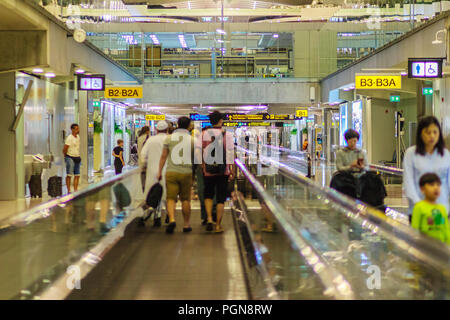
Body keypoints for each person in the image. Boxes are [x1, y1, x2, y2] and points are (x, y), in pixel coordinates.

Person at [403, 116, 450, 218]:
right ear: (420, 133)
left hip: (440, 210)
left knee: (439, 234)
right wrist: (420, 205)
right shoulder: (411, 154)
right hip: (419, 210)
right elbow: (408, 183)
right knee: (418, 234)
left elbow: (448, 182)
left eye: (435, 132)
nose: (432, 136)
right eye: (428, 132)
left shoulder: (445, 154)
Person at [157, 117, 194, 234]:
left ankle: (172, 219)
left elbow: (163, 156)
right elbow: (196, 158)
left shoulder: (169, 138)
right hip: (186, 172)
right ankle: (186, 224)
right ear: (188, 126)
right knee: (186, 199)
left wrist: (159, 171)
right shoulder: (192, 140)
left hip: (171, 172)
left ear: (178, 124)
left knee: (171, 198)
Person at [201, 111, 235, 233]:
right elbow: (230, 153)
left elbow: (199, 152)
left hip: (208, 171)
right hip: (223, 171)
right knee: (221, 198)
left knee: (208, 195)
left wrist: (203, 166)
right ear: (221, 121)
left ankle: (209, 218)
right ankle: (218, 225)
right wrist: (231, 169)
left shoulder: (204, 133)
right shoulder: (227, 134)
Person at [140, 120, 169, 227]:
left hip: (152, 171)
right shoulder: (169, 139)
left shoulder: (151, 140)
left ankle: (156, 217)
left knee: (152, 195)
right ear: (167, 129)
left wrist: (144, 165)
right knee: (166, 196)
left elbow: (143, 155)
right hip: (167, 171)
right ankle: (169, 216)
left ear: (156, 130)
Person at [411, 173, 450, 244]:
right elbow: (415, 229)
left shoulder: (441, 208)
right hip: (425, 248)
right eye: (431, 185)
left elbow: (445, 229)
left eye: (438, 185)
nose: (436, 188)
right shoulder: (419, 207)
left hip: (441, 248)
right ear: (422, 189)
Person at [63, 123, 81, 193]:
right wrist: (66, 156)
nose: (77, 130)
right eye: (76, 129)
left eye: (78, 128)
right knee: (69, 174)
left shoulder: (78, 137)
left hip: (77, 156)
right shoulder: (69, 138)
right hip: (70, 157)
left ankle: (76, 190)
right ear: (72, 129)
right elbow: (65, 148)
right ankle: (69, 190)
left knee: (77, 174)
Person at [137, 126, 150, 191]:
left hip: (140, 159)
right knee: (147, 175)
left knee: (142, 175)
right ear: (147, 131)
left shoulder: (139, 138)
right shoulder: (148, 138)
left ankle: (143, 188)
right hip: (146, 159)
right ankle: (147, 189)